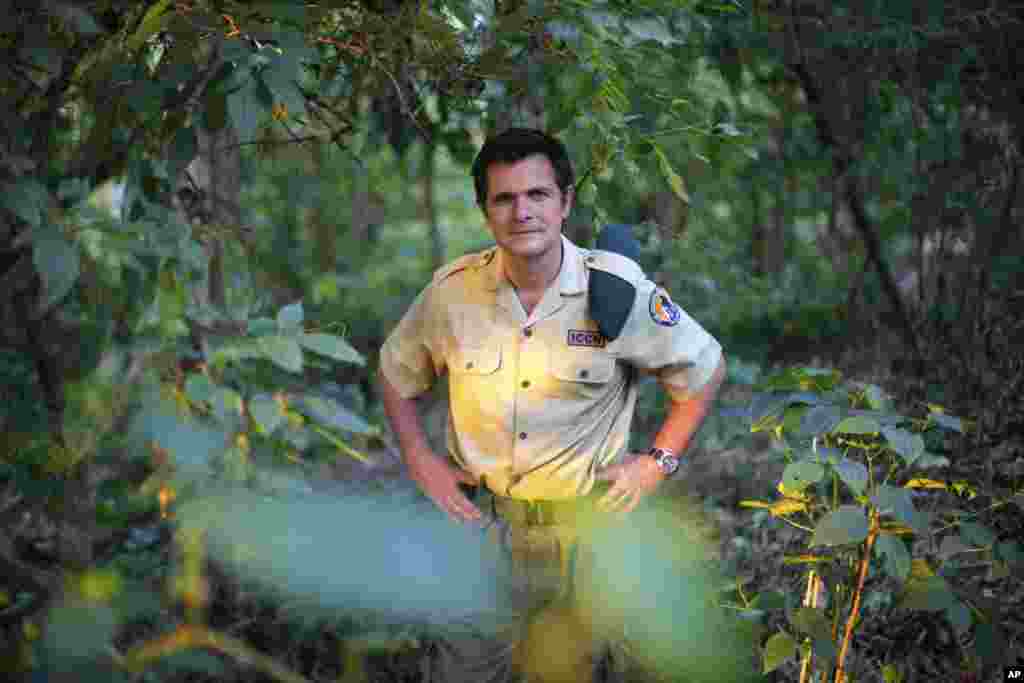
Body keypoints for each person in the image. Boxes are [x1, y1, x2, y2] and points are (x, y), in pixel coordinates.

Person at [377, 127, 727, 682]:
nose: (523, 212)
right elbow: (396, 373)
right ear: (485, 210)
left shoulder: (616, 291)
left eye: (538, 195)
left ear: (564, 202)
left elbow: (705, 370)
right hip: (479, 530)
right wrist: (421, 460)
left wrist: (656, 463)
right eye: (505, 198)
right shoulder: (452, 295)